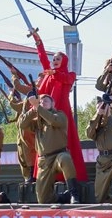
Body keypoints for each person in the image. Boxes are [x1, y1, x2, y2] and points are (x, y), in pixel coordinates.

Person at [11, 29, 87, 182]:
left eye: (58, 58)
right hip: (45, 113)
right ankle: (44, 177)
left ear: (64, 61)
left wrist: (53, 72)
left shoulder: (68, 75)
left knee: (66, 144)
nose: (55, 60)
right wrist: (37, 39)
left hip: (60, 113)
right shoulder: (48, 72)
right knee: (43, 144)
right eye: (54, 58)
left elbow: (65, 79)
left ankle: (69, 178)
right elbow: (42, 57)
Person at [19, 93, 80, 204]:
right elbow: (22, 125)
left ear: (53, 104)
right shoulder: (37, 122)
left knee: (65, 159)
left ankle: (73, 194)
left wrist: (38, 107)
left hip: (59, 155)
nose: (43, 103)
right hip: (44, 161)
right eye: (41, 102)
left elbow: (53, 120)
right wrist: (33, 110)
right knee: (43, 199)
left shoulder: (60, 115)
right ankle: (62, 198)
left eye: (46, 101)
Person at [6, 89, 37, 185]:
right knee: (23, 159)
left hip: (29, 137)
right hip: (22, 138)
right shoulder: (24, 105)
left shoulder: (31, 105)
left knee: (30, 157)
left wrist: (11, 94)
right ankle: (28, 178)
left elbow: (14, 105)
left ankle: (32, 177)